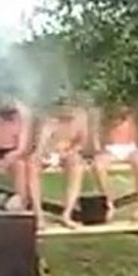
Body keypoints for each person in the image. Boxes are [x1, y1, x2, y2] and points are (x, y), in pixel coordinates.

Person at [29, 94, 90, 228]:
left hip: (68, 151)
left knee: (77, 166)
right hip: (49, 152)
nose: (65, 110)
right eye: (62, 107)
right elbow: (40, 145)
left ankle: (67, 213)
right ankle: (38, 215)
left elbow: (82, 142)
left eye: (68, 106)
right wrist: (45, 153)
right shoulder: (49, 119)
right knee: (32, 165)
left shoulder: (81, 117)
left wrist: (70, 150)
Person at [91, 103, 138, 221]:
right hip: (111, 149)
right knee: (98, 166)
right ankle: (108, 202)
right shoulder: (105, 120)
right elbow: (95, 134)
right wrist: (97, 149)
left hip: (130, 148)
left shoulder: (131, 117)